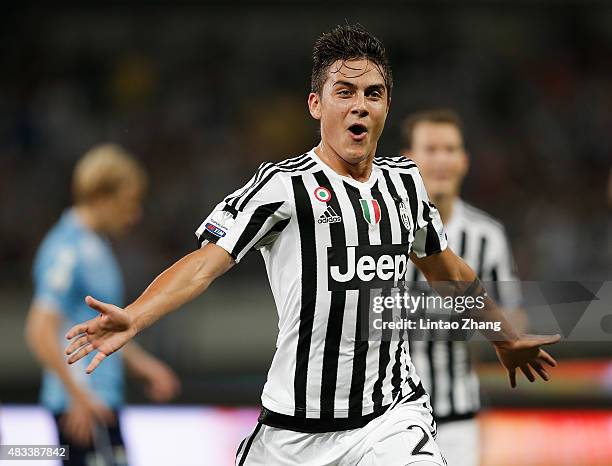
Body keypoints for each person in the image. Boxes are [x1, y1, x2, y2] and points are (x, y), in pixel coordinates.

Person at [62, 25, 558, 466]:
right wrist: (137, 314)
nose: (359, 104)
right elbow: (203, 266)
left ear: (387, 106)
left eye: (374, 93)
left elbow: (446, 270)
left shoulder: (406, 185)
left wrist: (503, 338)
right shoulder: (282, 186)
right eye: (344, 92)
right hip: (292, 435)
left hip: (389, 419)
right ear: (316, 104)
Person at [25, 144, 180, 466]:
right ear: (102, 196)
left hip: (98, 402)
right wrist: (77, 396)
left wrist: (143, 366)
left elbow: (100, 331)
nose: (134, 214)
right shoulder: (67, 248)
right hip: (84, 407)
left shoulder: (95, 246)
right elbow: (39, 330)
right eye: (128, 203)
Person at [401, 109, 527, 466]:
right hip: (390, 418)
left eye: (450, 149)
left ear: (464, 160)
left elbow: (512, 319)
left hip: (459, 419)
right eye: (431, 149)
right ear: (409, 159)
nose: (441, 159)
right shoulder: (385, 229)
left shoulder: (488, 236)